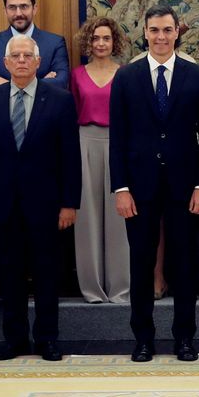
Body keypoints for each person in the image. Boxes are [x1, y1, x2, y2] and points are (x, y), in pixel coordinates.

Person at [109, 5, 199, 363]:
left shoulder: (196, 75)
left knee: (183, 264)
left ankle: (185, 338)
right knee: (141, 265)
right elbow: (118, 138)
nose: (160, 37)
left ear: (176, 33)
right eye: (154, 30)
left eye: (167, 30)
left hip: (185, 188)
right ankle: (143, 339)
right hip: (138, 189)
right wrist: (120, 188)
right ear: (145, 32)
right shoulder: (126, 77)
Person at [0, 35, 80, 362]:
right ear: (5, 63)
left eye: (27, 56)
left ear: (38, 62)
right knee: (10, 275)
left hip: (47, 205)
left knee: (47, 274)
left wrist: (69, 203)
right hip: (4, 204)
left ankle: (47, 339)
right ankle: (14, 339)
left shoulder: (60, 100)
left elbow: (70, 158)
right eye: (15, 56)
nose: (21, 60)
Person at [69, 17, 129, 303]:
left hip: (119, 144)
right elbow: (72, 113)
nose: (101, 43)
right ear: (88, 42)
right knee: (87, 219)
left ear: (114, 41)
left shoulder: (126, 74)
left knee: (119, 219)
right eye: (95, 39)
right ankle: (92, 289)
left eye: (106, 38)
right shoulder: (77, 75)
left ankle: (120, 289)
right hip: (84, 144)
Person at [0, 0, 70, 90]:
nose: (18, 13)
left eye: (24, 6)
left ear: (34, 9)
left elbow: (61, 83)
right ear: (5, 11)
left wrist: (6, 84)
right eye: (12, 7)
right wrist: (42, 83)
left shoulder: (55, 43)